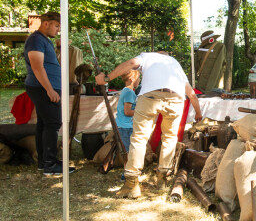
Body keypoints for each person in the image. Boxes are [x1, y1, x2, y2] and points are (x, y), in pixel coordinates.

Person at [96, 51, 203, 198]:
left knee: (139, 138)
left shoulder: (147, 56)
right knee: (170, 138)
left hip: (151, 96)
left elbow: (131, 64)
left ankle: (132, 184)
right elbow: (191, 94)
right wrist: (198, 113)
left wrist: (106, 78)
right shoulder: (175, 64)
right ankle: (162, 178)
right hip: (175, 98)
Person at [23, 11, 75, 176]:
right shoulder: (36, 39)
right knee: (52, 123)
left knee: (44, 124)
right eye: (57, 26)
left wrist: (59, 49)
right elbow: (37, 67)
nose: (58, 30)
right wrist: (49, 89)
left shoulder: (43, 40)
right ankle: (50, 165)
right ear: (47, 23)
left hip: (45, 87)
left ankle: (44, 162)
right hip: (42, 88)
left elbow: (50, 63)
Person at [116, 69, 141, 180]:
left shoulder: (126, 91)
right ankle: (126, 174)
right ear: (132, 79)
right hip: (126, 127)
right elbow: (127, 112)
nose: (139, 80)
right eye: (138, 77)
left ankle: (128, 172)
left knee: (129, 151)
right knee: (129, 152)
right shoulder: (130, 93)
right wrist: (140, 111)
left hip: (124, 126)